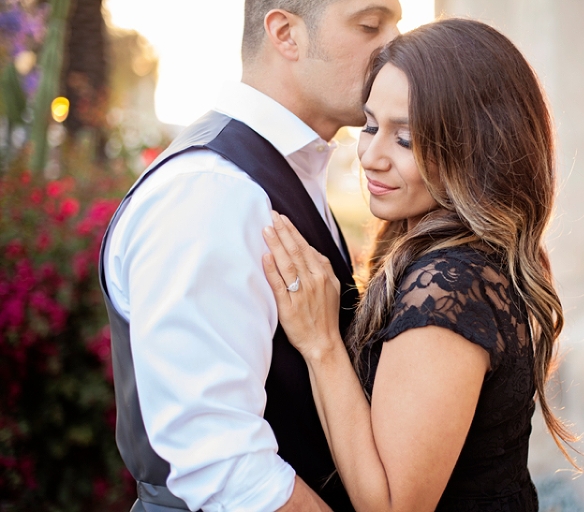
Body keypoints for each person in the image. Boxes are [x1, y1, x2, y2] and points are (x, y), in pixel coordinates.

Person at [261, 18, 581, 511]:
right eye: (369, 126)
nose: (370, 156)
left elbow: (392, 506)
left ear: (478, 148)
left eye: (405, 139)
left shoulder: (451, 284)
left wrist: (321, 343)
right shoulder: (441, 255)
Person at [98, 1, 401, 511]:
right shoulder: (212, 191)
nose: (394, 44)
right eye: (370, 25)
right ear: (286, 34)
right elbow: (221, 461)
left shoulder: (271, 172)